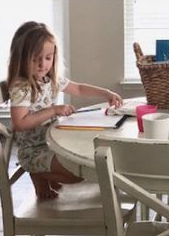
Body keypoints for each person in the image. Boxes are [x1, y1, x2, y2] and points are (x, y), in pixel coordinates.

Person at [8, 21, 122, 200]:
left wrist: (105, 93)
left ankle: (45, 173)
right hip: (32, 151)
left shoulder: (48, 79)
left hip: (51, 143)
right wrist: (53, 111)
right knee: (76, 173)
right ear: (21, 57)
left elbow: (79, 89)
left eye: (48, 57)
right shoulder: (20, 87)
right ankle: (38, 174)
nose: (42, 64)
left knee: (84, 166)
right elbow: (20, 123)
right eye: (35, 58)